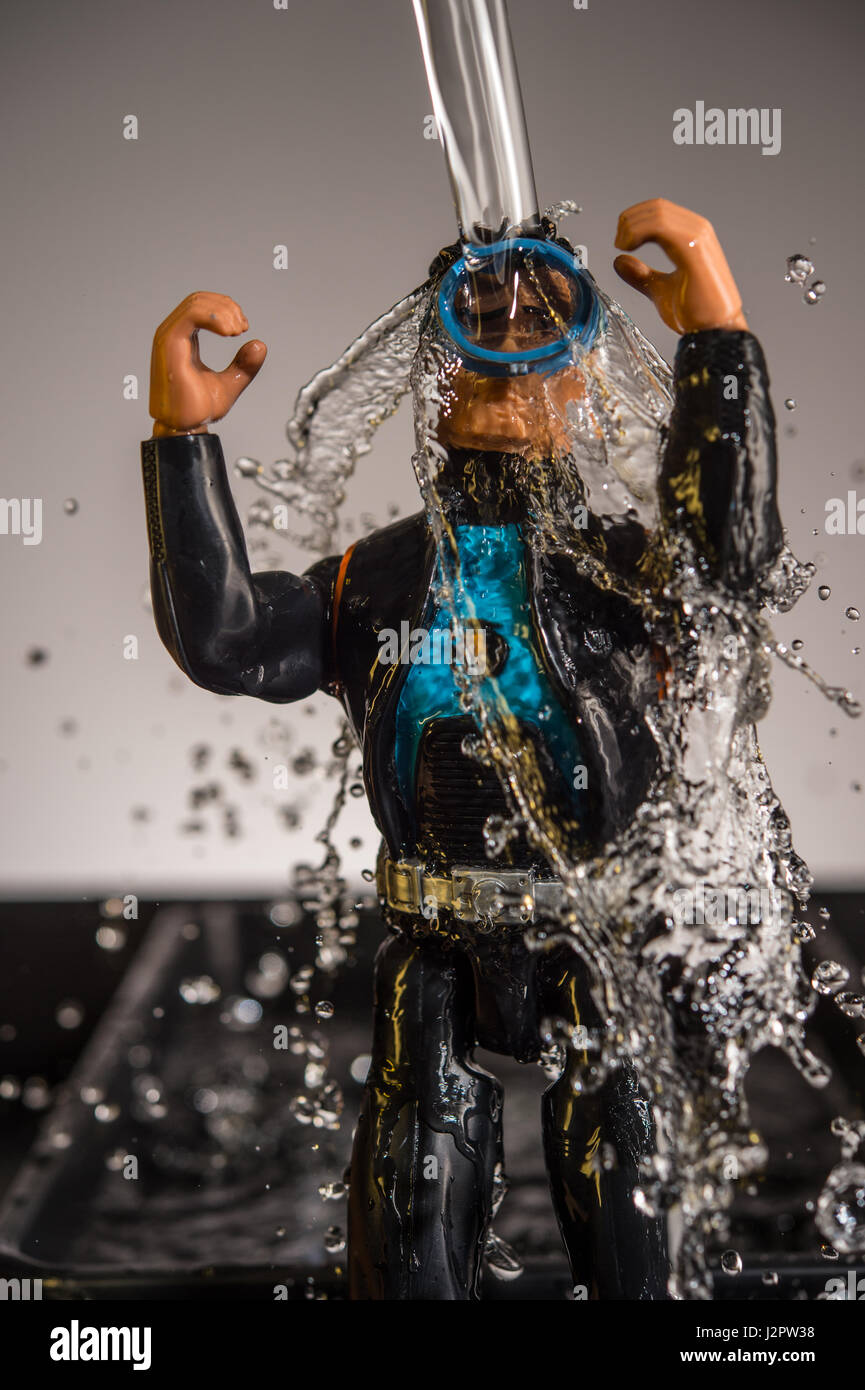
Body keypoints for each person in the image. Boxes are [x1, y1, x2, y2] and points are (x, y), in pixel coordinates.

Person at [141, 198, 782, 1299]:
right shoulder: (374, 579)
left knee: (637, 1213)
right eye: (479, 330)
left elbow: (730, 564)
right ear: (432, 367)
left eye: (541, 337)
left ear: (582, 374)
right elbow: (231, 641)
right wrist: (180, 439)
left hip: (599, 942)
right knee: (411, 1214)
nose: (508, 364)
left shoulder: (625, 573)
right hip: (430, 948)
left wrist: (716, 343)